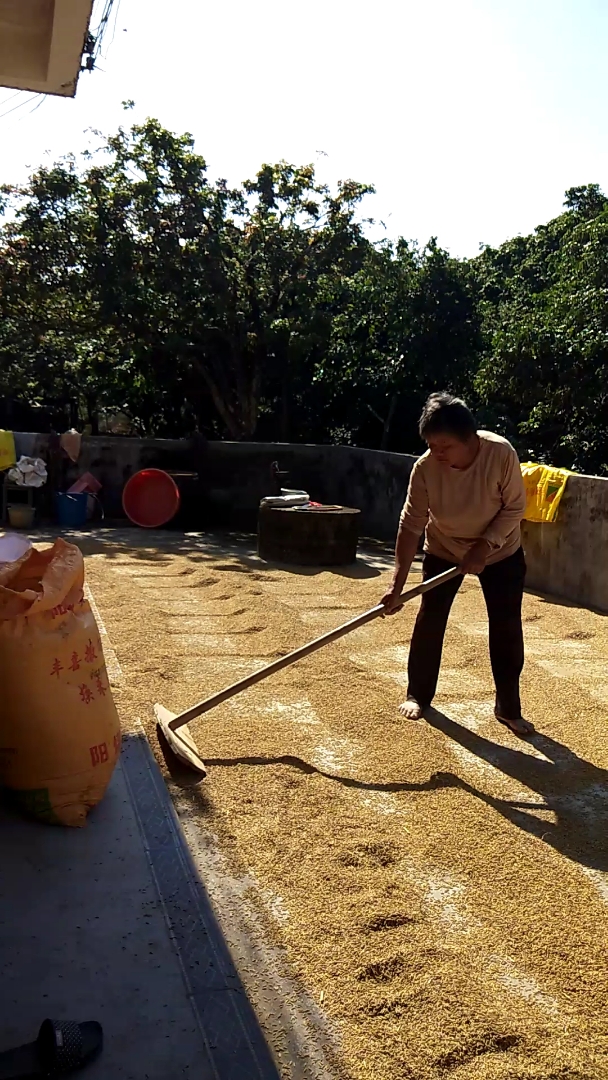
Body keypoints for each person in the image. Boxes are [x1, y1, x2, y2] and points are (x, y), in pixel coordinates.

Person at [381, 392, 533, 737]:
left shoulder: (500, 454)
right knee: (430, 618)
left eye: (444, 445)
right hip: (444, 549)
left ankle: (508, 707)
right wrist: (396, 585)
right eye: (431, 445)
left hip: (501, 552)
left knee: (506, 624)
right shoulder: (424, 469)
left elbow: (514, 508)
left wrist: (483, 546)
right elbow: (411, 525)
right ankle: (418, 693)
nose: (437, 453)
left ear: (470, 438)